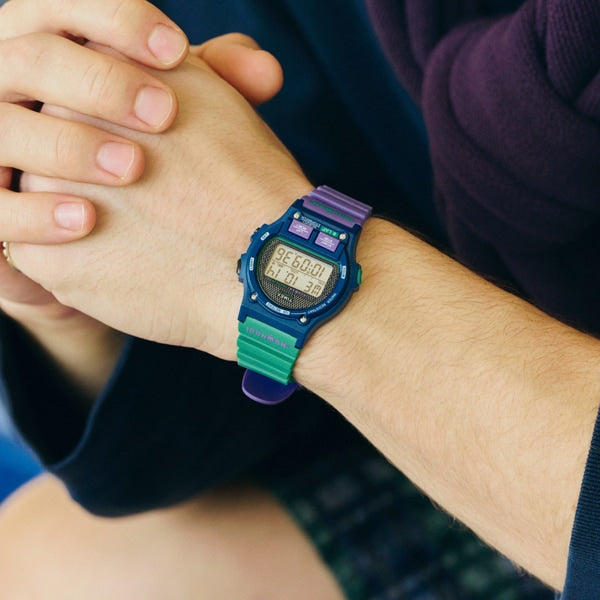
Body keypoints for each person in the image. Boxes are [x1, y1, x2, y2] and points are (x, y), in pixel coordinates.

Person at [0, 0, 598, 597]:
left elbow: (247, 249)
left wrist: (247, 234)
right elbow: (213, 440)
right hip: (431, 412)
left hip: (558, 460)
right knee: (47, 567)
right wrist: (69, 290)